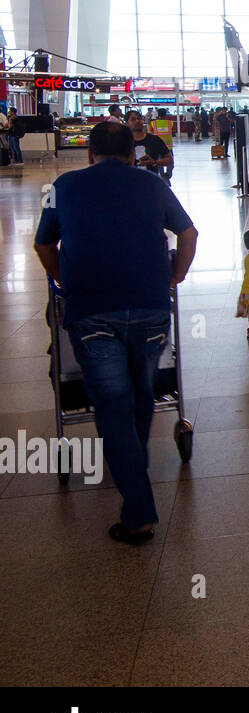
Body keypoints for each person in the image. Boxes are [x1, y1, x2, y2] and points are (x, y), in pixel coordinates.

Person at [33, 121, 198, 544]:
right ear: (131, 153)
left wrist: (63, 280)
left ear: (90, 154)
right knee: (142, 391)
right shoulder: (151, 183)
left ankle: (138, 510)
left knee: (112, 404)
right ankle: (132, 461)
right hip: (149, 306)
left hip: (92, 311)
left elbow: (43, 244)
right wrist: (174, 277)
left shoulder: (62, 185)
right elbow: (188, 232)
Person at [125, 109, 173, 180]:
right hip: (129, 181)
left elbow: (169, 159)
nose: (137, 121)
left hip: (151, 181)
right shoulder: (123, 141)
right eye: (133, 119)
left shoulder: (154, 140)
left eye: (139, 118)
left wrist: (154, 162)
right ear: (126, 123)